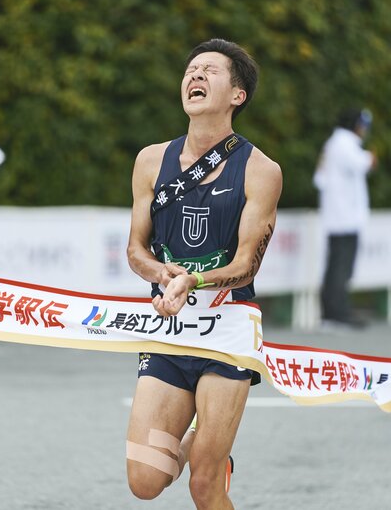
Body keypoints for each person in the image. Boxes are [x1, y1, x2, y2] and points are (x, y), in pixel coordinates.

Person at [126, 39, 282, 509]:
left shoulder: (261, 170)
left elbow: (245, 265)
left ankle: (213, 455)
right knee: (145, 482)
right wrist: (160, 272)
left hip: (227, 327)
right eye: (191, 69)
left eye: (209, 70)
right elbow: (136, 250)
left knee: (204, 485)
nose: (195, 76)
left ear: (238, 95)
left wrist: (194, 280)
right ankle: (204, 439)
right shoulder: (151, 161)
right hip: (169, 326)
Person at [314, 108, 376, 328]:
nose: (364, 130)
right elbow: (363, 163)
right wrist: (371, 157)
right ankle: (336, 314)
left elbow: (319, 179)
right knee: (341, 267)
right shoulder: (344, 143)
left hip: (338, 215)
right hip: (345, 216)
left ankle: (333, 312)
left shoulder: (333, 144)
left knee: (336, 266)